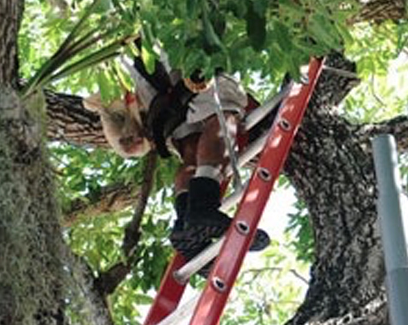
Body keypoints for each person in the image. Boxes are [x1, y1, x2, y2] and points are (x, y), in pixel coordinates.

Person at [87, 55, 273, 260]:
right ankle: (203, 207)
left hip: (148, 77)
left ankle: (186, 221)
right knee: (224, 108)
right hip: (176, 47)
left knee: (190, 147)